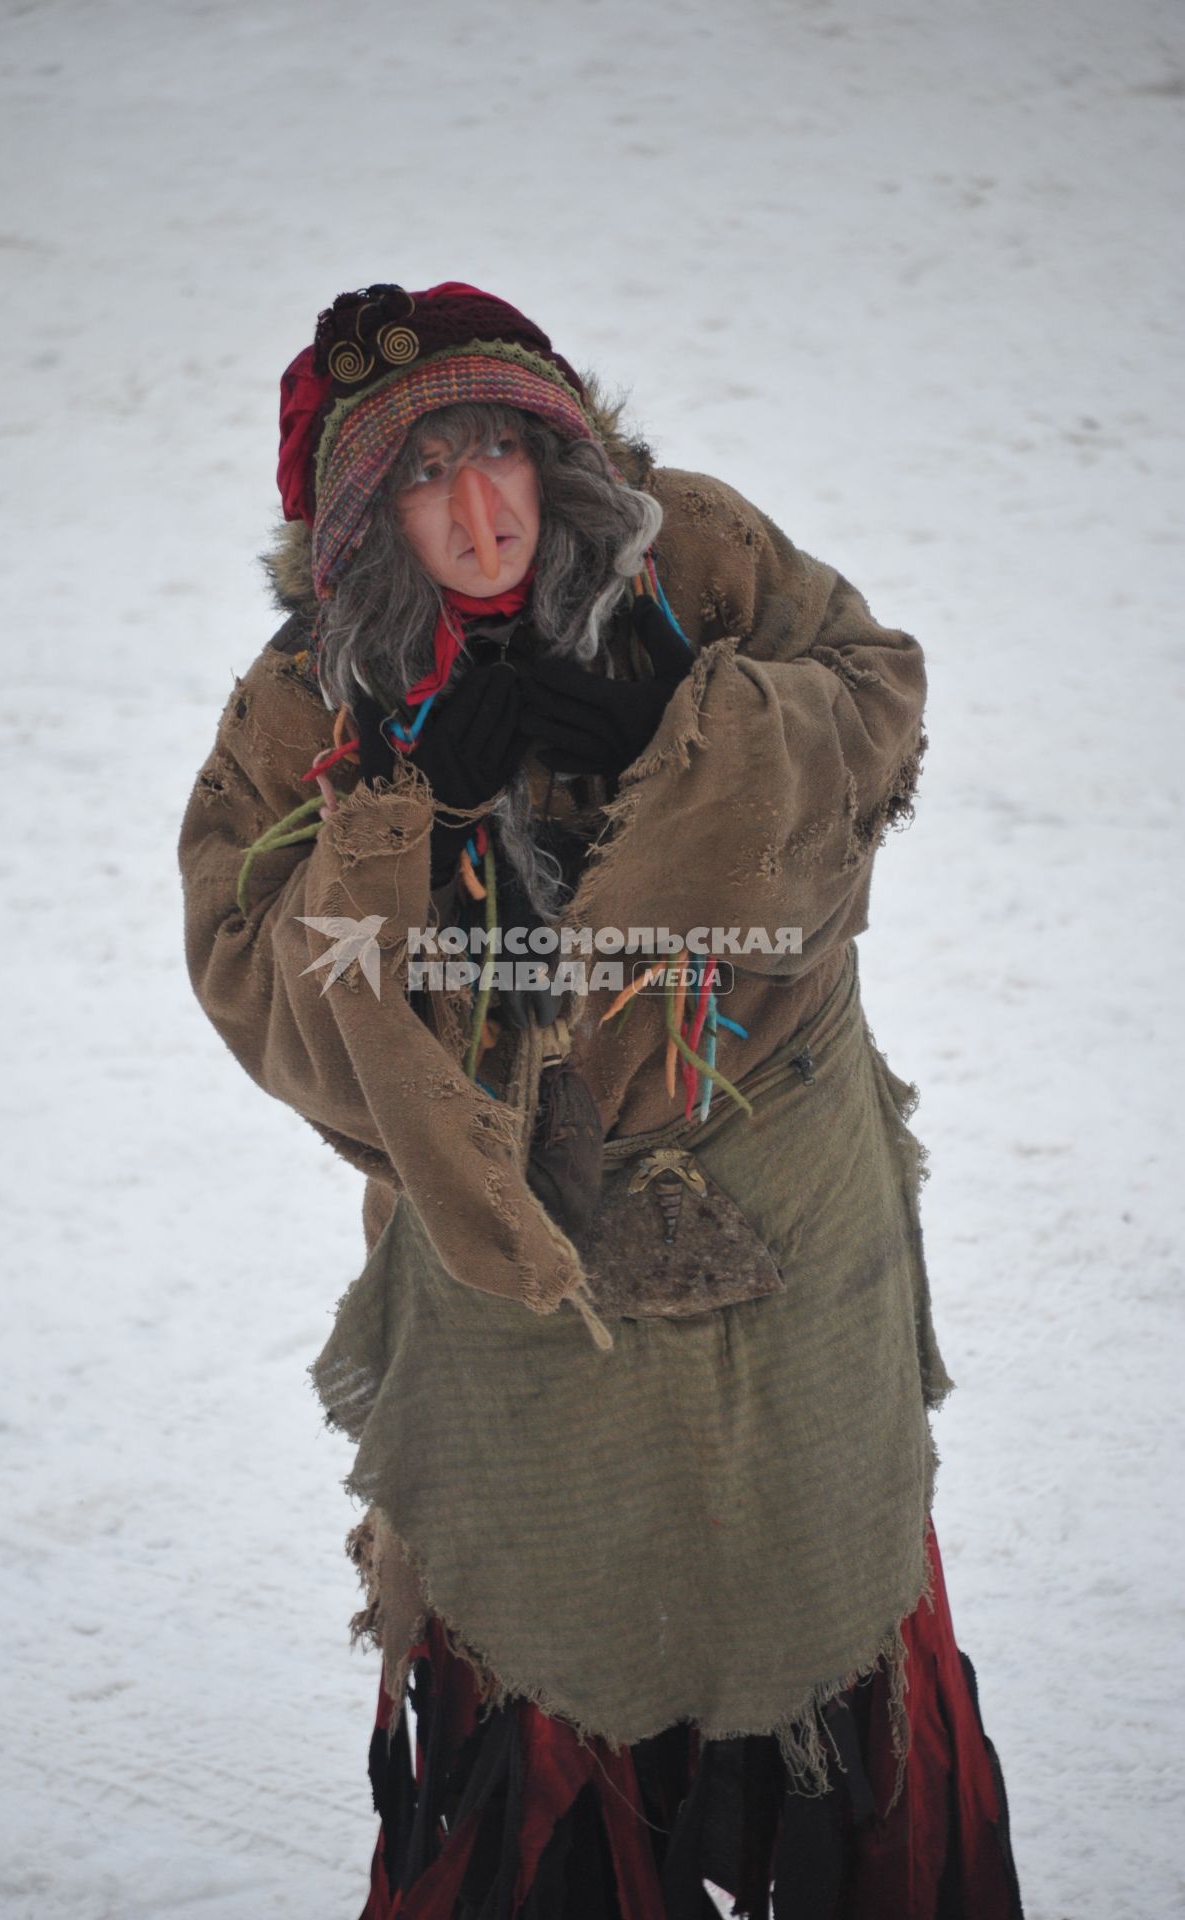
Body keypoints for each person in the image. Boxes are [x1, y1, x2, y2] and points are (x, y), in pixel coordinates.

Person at [177, 281, 1025, 1918]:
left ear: (554, 444)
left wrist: (688, 733)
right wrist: (406, 823)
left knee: (818, 1608)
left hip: (781, 1198)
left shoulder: (689, 555)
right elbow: (247, 962)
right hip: (513, 1250)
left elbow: (876, 695)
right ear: (362, 522)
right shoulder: (311, 694)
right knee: (538, 1648)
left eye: (498, 449)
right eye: (421, 479)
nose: (477, 510)